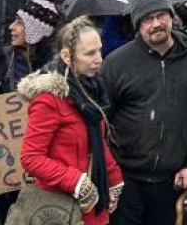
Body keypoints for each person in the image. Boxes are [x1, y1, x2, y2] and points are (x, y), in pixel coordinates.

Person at [100, 0, 187, 225]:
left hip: (173, 179)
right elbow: (101, 122)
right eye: (147, 19)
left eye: (160, 15)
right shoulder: (116, 64)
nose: (155, 24)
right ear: (137, 25)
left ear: (172, 16)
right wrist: (110, 171)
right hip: (126, 179)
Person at [17, 17, 124, 225]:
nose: (99, 59)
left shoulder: (91, 89)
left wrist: (113, 179)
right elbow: (30, 157)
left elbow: (98, 142)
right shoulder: (49, 99)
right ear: (66, 56)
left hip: (93, 204)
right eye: (90, 53)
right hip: (58, 207)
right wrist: (76, 181)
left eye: (99, 50)